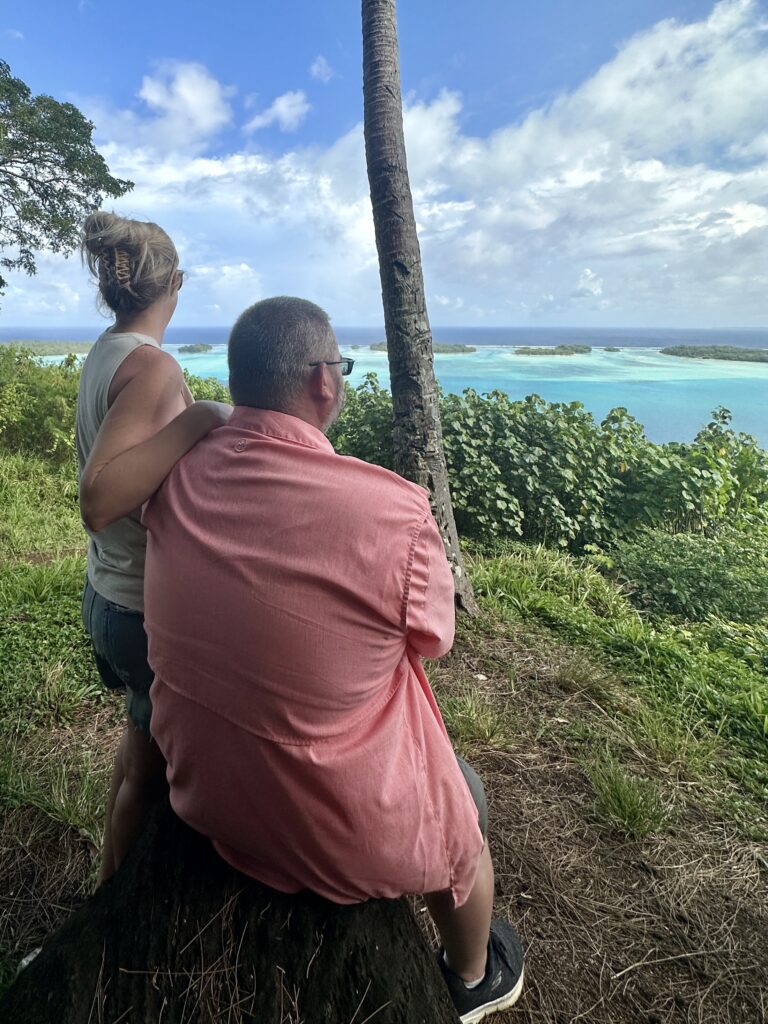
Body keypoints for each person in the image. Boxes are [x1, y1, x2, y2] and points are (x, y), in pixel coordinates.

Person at [142, 297, 524, 1022]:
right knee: (464, 799)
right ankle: (473, 977)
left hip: (201, 787)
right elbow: (432, 640)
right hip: (335, 831)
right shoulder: (390, 510)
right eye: (341, 368)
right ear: (324, 381)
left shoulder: (179, 477)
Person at [76, 211, 230, 882]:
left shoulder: (106, 351)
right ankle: (107, 908)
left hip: (107, 593)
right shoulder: (156, 370)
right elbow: (100, 495)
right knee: (147, 778)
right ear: (176, 285)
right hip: (141, 607)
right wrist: (201, 418)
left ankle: (108, 877)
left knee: (137, 746)